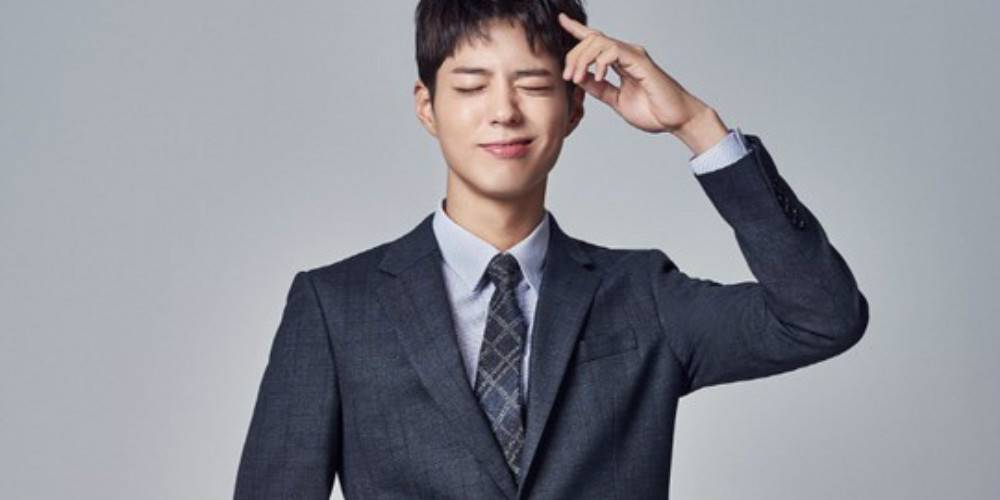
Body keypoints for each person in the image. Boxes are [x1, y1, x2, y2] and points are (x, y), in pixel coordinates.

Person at [233, 1, 870, 499]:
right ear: (427, 107)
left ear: (574, 108)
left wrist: (696, 126)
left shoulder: (641, 294)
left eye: (534, 85)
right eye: (472, 86)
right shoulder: (335, 306)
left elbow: (823, 318)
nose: (503, 112)